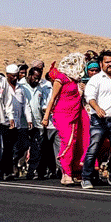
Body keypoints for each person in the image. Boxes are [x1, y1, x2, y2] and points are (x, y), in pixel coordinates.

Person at [82, 51, 111, 192]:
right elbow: (89, 97)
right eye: (107, 62)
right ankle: (86, 178)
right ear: (101, 64)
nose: (110, 65)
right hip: (99, 120)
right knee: (93, 148)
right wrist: (97, 108)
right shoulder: (96, 79)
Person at [41, 54, 88, 185]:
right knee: (67, 142)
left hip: (75, 114)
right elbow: (52, 99)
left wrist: (82, 89)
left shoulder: (76, 81)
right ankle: (65, 173)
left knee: (75, 142)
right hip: (63, 115)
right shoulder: (60, 79)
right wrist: (46, 117)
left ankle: (72, 172)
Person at [20, 65, 55, 180]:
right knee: (22, 146)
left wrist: (45, 112)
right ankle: (14, 166)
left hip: (38, 123)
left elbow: (43, 103)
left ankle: (32, 171)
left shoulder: (40, 88)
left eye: (38, 78)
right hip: (24, 123)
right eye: (34, 77)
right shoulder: (21, 86)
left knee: (37, 148)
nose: (36, 80)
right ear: (29, 75)